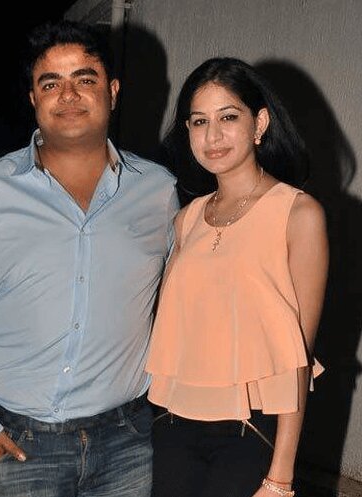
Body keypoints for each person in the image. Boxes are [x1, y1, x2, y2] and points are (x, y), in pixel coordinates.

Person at [0, 19, 178, 497]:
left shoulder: (158, 191)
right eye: (50, 83)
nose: (68, 95)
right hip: (18, 442)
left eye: (85, 79)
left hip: (128, 442)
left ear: (112, 91)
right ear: (33, 98)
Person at [145, 57, 329, 497]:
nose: (212, 136)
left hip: (250, 431)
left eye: (228, 117)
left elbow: (298, 357)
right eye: (199, 121)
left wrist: (280, 475)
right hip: (173, 425)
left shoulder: (298, 214)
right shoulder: (187, 219)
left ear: (259, 123)